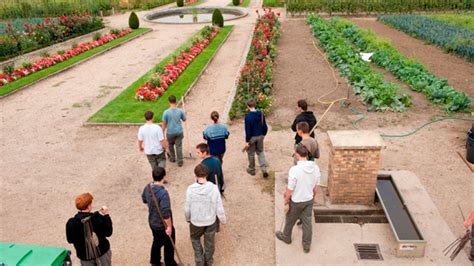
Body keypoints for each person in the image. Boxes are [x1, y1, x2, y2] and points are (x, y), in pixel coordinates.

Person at [275, 145, 320, 253]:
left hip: (296, 201)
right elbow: (316, 188)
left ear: (297, 155)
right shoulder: (316, 168)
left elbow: (290, 189)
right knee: (307, 223)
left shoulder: (294, 170)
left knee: (290, 219)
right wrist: (311, 197)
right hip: (308, 200)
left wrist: (286, 199)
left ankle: (286, 237)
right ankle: (306, 245)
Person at [185, 164, 227, 266]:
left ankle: (199, 261)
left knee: (195, 239)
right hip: (210, 220)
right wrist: (223, 220)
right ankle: (208, 261)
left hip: (196, 221)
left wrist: (188, 218)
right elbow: (219, 207)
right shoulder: (213, 188)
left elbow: (187, 207)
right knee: (209, 242)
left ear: (195, 175)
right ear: (207, 175)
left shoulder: (190, 189)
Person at [142, 167, 177, 266]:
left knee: (156, 240)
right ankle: (170, 263)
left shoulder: (148, 187)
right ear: (163, 177)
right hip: (162, 225)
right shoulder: (163, 193)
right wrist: (169, 227)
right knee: (169, 244)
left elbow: (144, 199)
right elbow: (166, 213)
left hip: (152, 222)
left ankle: (155, 261)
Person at [66, 193, 113, 266]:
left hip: (84, 256)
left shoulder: (71, 223)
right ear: (88, 206)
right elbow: (109, 233)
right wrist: (106, 216)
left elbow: (70, 240)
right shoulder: (98, 218)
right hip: (102, 253)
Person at [243, 99, 269, 177]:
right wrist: (263, 134)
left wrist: (247, 141)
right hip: (260, 136)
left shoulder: (248, 117)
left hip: (252, 138)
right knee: (260, 152)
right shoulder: (261, 114)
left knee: (251, 154)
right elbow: (265, 126)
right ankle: (264, 169)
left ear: (248, 106)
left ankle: (252, 170)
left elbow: (248, 131)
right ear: (255, 105)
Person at [162, 95, 186, 167]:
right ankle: (180, 161)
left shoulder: (166, 112)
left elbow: (164, 123)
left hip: (170, 132)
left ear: (169, 102)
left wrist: (162, 131)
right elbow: (184, 119)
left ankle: (172, 158)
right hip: (179, 132)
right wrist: (184, 113)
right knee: (179, 146)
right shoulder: (180, 111)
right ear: (176, 101)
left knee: (171, 145)